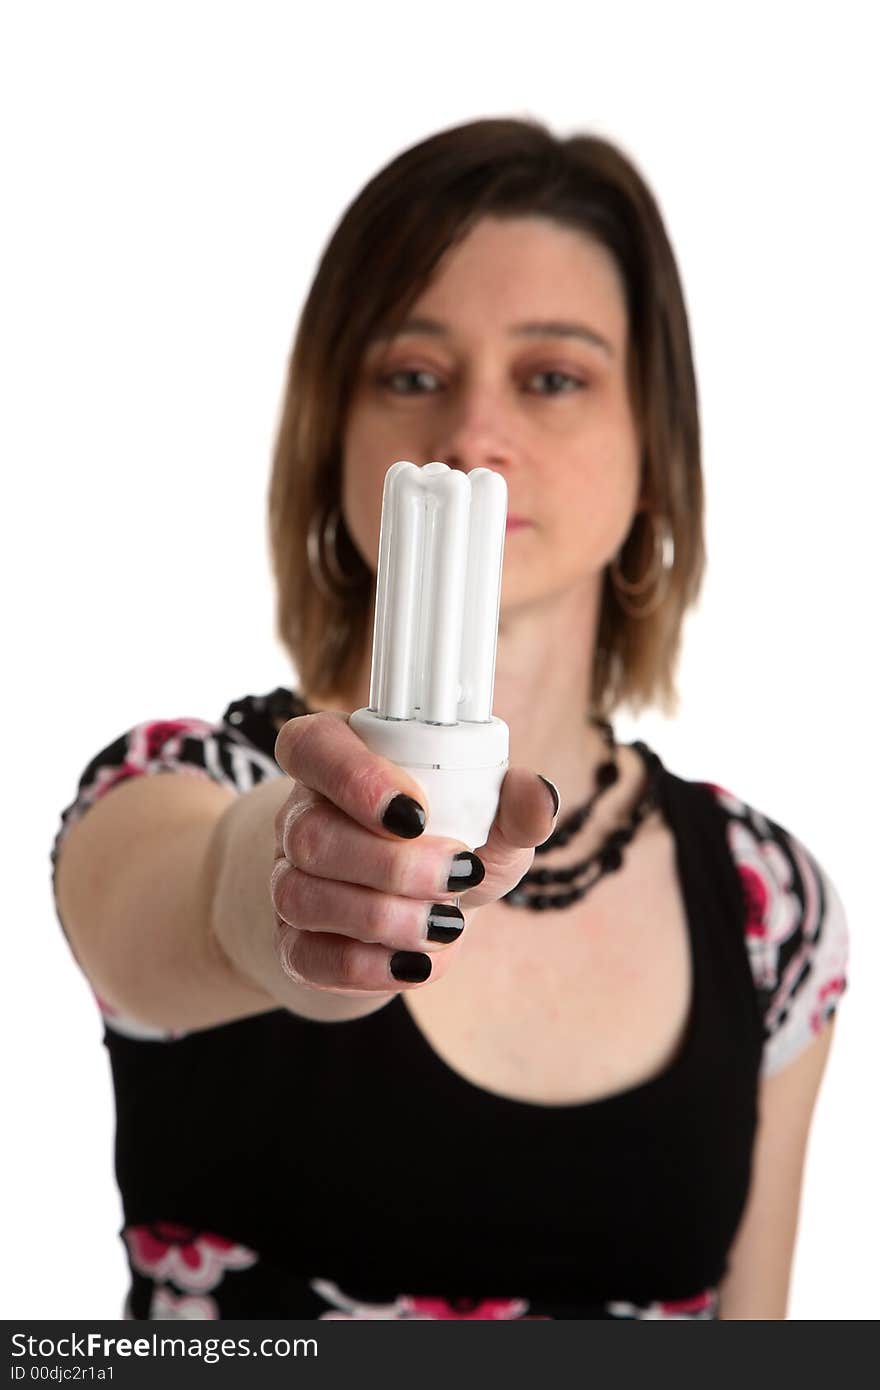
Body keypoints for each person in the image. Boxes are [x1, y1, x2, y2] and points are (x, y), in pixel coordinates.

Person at [50, 117, 849, 1321]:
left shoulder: (769, 908)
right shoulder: (174, 784)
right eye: (411, 375)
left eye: (553, 377)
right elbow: (201, 896)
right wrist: (297, 887)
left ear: (652, 450)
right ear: (338, 440)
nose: (474, 437)